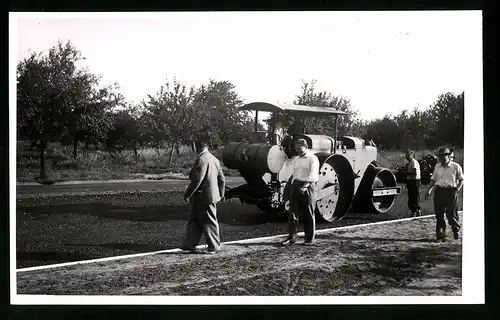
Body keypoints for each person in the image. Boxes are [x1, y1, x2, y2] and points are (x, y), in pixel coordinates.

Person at [181, 138, 226, 254]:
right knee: (195, 221)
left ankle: (214, 246)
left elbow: (197, 180)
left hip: (204, 197)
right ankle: (189, 244)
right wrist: (221, 194)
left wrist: (187, 193)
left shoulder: (201, 159)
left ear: (197, 147)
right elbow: (222, 179)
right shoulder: (214, 159)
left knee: (209, 221)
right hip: (207, 196)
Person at [281, 138, 320, 246]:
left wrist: (304, 187)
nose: (298, 150)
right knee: (292, 212)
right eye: (297, 148)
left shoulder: (313, 158)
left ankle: (309, 239)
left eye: (300, 148)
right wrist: (290, 186)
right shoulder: (296, 159)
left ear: (306, 147)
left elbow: (313, 175)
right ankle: (292, 238)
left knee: (308, 213)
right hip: (296, 185)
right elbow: (294, 173)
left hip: (308, 186)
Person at [425, 147, 464, 242]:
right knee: (439, 215)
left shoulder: (455, 166)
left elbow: (461, 179)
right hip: (439, 192)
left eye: (444, 156)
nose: (442, 158)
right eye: (440, 156)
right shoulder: (437, 166)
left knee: (451, 214)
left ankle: (455, 229)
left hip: (451, 192)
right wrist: (429, 190)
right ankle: (441, 235)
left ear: (449, 156)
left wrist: (457, 190)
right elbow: (433, 179)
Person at [405, 149, 422, 217]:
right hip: (410, 180)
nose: (407, 157)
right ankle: (413, 210)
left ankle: (416, 210)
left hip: (414, 181)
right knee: (411, 196)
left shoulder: (414, 162)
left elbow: (414, 172)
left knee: (414, 196)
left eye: (408, 155)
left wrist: (406, 173)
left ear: (412, 155)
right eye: (406, 155)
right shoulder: (409, 163)